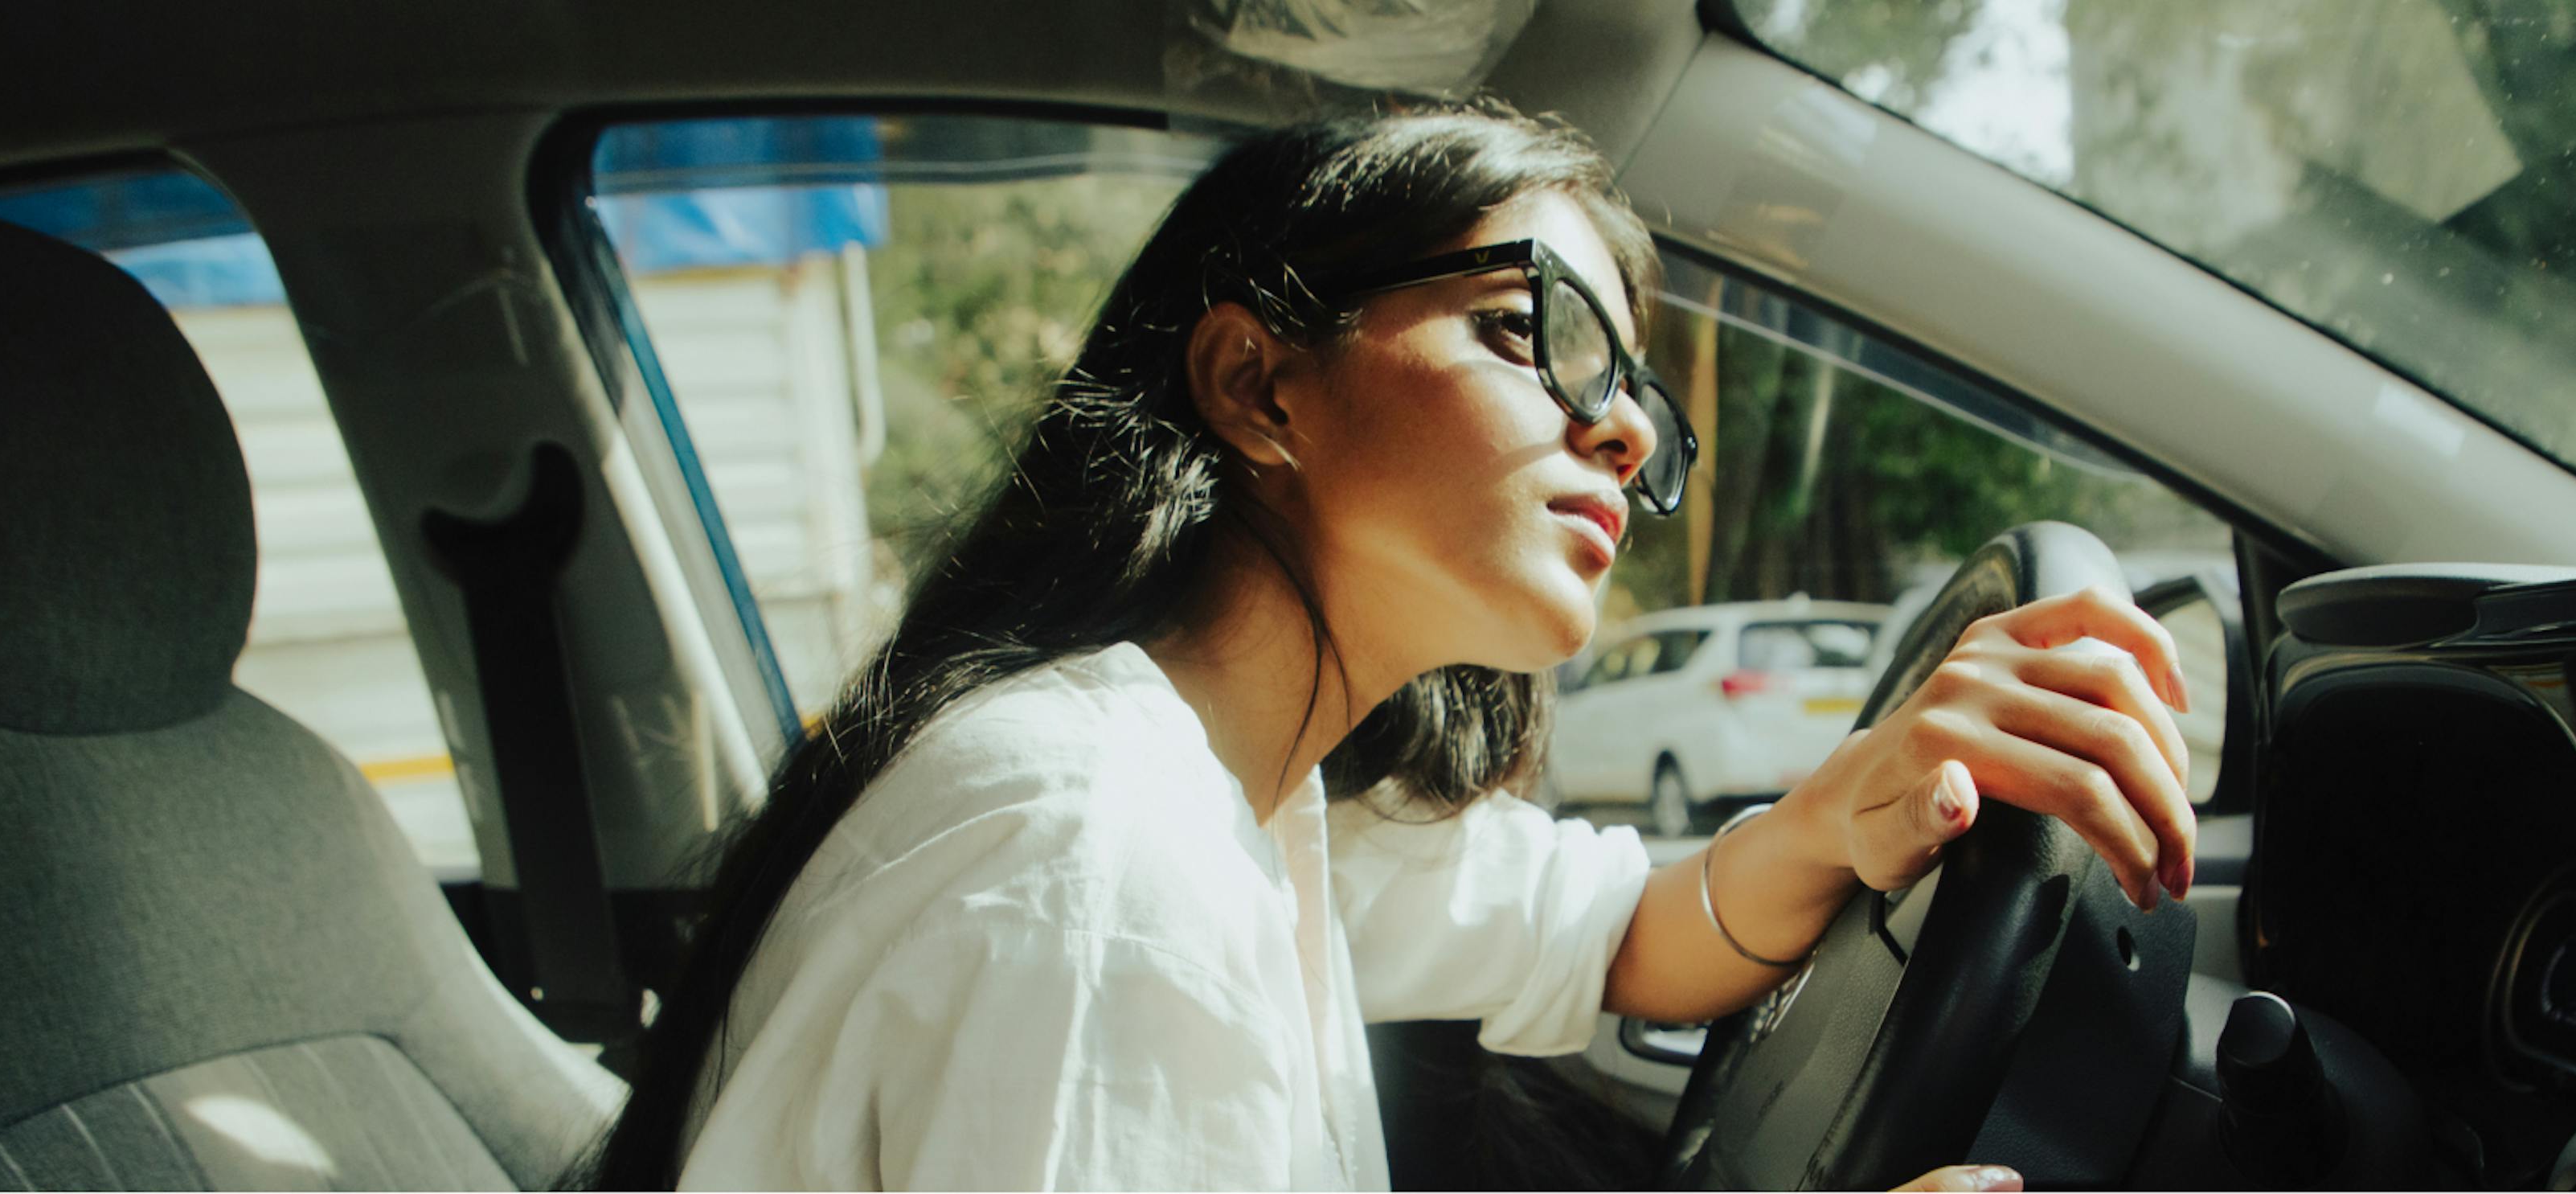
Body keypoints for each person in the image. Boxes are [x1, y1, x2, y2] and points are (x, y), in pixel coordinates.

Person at [588, 100, 2195, 1192]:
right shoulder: (1103, 861)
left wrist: (1857, 804)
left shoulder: (1252, 798)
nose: (1625, 430)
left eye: (1637, 389)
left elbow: (1622, 930)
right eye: (1535, 331)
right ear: (1258, 383)